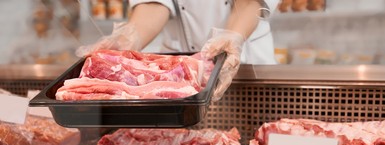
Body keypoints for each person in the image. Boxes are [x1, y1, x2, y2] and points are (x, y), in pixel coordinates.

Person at [77, 0, 279, 101]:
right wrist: (129, 37)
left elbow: (248, 2)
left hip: (244, 65)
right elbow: (154, 4)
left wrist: (233, 36)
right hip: (176, 76)